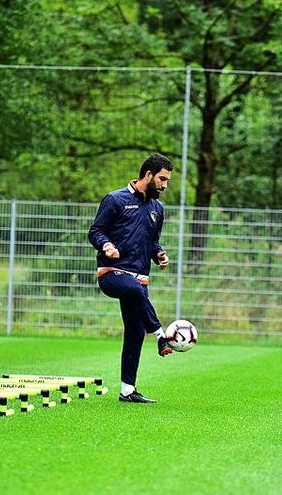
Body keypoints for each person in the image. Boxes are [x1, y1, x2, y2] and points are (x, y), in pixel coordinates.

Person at [88, 153, 174, 404]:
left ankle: (128, 390)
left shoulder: (158, 209)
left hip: (140, 277)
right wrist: (106, 245)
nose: (165, 185)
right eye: (162, 179)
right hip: (111, 274)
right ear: (148, 175)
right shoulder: (115, 200)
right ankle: (161, 335)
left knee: (135, 331)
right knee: (135, 290)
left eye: (167, 180)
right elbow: (95, 231)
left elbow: (152, 241)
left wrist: (159, 254)